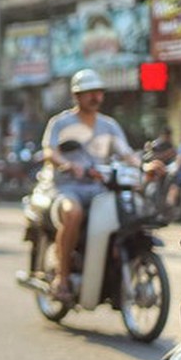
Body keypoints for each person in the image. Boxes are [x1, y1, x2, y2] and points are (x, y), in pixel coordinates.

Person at [39, 68, 139, 301]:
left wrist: (141, 166)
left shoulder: (110, 126)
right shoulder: (60, 123)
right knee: (73, 214)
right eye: (89, 93)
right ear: (76, 96)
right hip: (67, 188)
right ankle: (62, 279)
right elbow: (49, 152)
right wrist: (68, 164)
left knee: (128, 215)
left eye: (98, 92)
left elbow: (126, 153)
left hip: (100, 190)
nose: (95, 97)